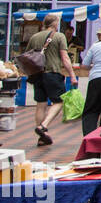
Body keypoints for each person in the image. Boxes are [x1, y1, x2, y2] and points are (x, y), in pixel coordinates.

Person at [25, 14, 76, 146]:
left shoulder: (35, 37)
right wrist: (72, 74)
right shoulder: (59, 36)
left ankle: (42, 137)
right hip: (53, 73)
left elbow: (28, 56)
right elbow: (65, 58)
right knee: (59, 101)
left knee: (40, 104)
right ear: (55, 24)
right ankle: (43, 126)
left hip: (37, 74)